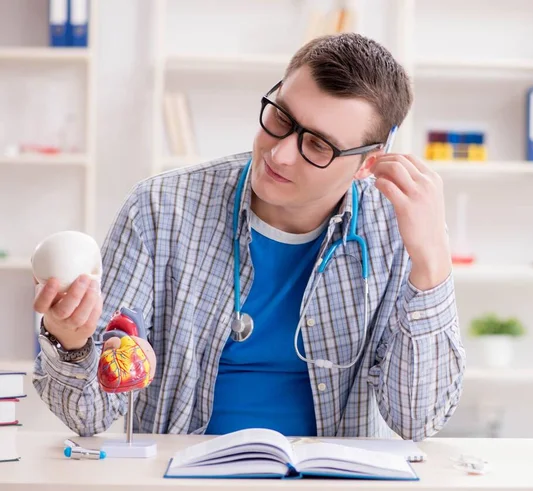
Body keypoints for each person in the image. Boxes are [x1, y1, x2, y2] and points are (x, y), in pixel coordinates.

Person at [32, 33, 465, 441]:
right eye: (281, 117)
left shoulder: (396, 230)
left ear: (368, 163)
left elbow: (416, 419)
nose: (279, 153)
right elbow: (87, 416)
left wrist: (430, 264)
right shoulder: (160, 209)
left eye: (317, 146)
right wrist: (70, 342)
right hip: (183, 479)